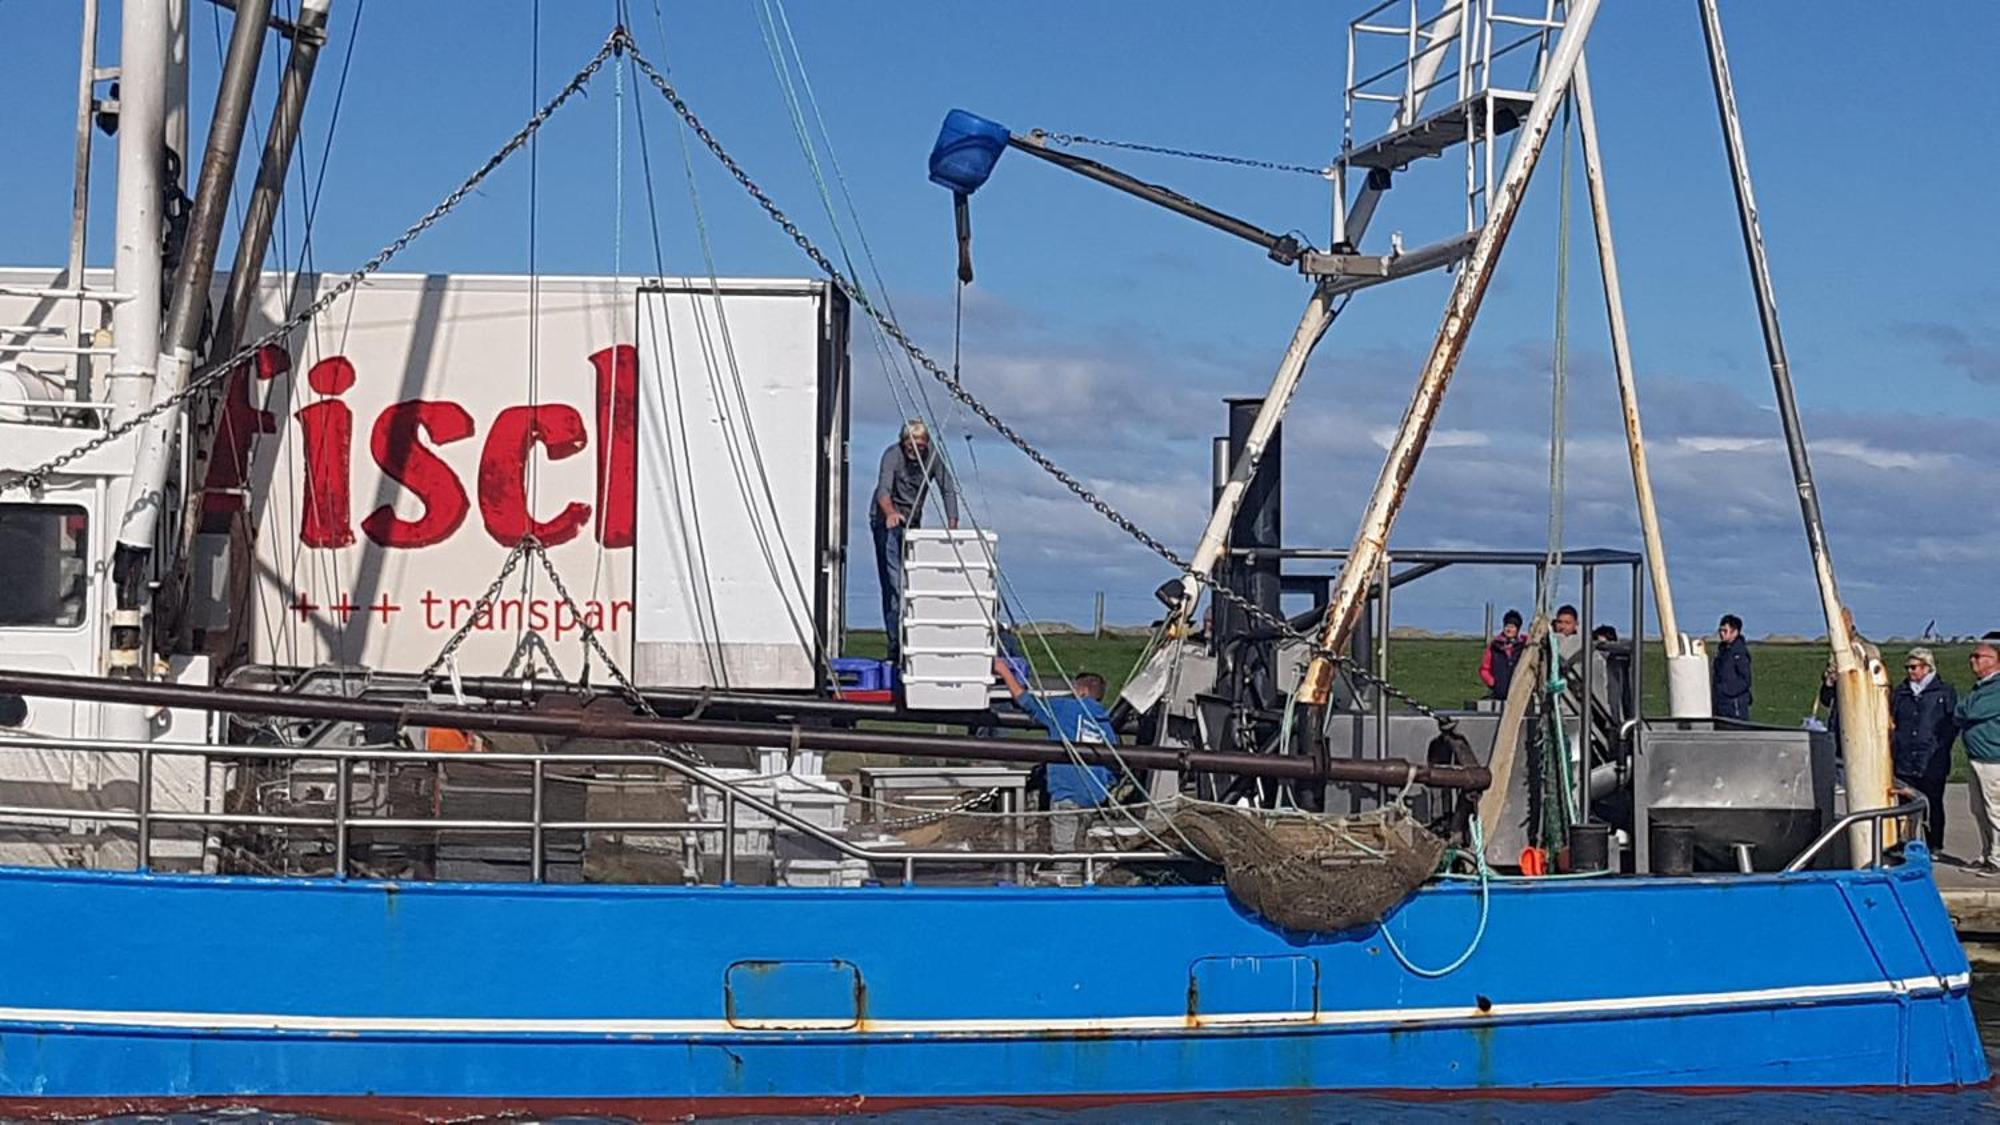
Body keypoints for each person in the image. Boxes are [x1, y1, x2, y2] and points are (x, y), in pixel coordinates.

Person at [993, 656, 1117, 868]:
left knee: (1065, 852)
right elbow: (1115, 768)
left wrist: (1004, 671)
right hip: (1095, 797)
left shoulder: (1066, 709)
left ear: (1082, 691)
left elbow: (1025, 701)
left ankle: (1067, 887)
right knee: (1086, 848)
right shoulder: (1106, 724)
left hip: (1067, 793)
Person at [870, 420, 959, 660]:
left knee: (913, 582)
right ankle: (894, 644)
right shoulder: (892, 455)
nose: (914, 452)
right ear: (903, 443)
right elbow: (883, 490)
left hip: (912, 520)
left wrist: (952, 524)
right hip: (886, 520)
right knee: (893, 583)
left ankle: (913, 641)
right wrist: (890, 513)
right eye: (910, 446)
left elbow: (947, 488)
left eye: (919, 447)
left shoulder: (932, 457)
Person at [1891, 647, 1958, 853]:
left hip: (1932, 758)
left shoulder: (1944, 691)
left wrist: (1940, 745)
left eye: (1914, 667)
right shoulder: (1901, 693)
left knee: (1933, 802)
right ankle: (1905, 842)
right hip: (1904, 757)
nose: (1910, 671)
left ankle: (1934, 844)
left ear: (1927, 667)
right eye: (1907, 667)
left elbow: (1951, 723)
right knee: (1904, 804)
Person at [1960, 638, 2000, 874]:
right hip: (1977, 756)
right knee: (1978, 809)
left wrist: (1966, 710)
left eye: (1979, 657)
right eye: (1972, 656)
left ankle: (1998, 858)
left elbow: (1973, 711)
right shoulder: (1980, 687)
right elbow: (1960, 709)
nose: (1973, 661)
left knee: (1995, 809)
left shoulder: (1996, 689)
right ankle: (1986, 853)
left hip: (1994, 759)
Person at [1711, 614, 1753, 721]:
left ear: (1735, 632)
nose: (1721, 634)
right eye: (1720, 630)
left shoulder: (1739, 652)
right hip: (1720, 704)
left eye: (1725, 631)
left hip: (1735, 706)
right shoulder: (1722, 651)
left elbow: (1745, 680)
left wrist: (1726, 691)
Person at [1479, 609, 1526, 699]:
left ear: (1518, 629)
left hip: (1519, 695)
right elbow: (1485, 669)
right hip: (1499, 694)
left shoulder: (1523, 647)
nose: (1509, 630)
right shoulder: (1495, 647)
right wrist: (1493, 683)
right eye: (1507, 626)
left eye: (1512, 627)